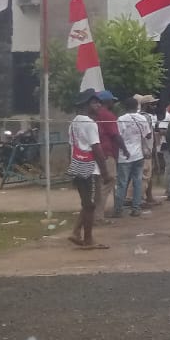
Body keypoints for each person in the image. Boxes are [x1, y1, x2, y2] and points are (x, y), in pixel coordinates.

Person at [67, 89, 113, 250]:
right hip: (90, 167)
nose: (98, 105)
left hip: (77, 165)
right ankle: (88, 239)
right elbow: (96, 148)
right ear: (86, 105)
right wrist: (105, 173)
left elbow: (71, 146)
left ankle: (76, 233)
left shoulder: (74, 122)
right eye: (94, 102)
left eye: (99, 102)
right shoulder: (90, 123)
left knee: (87, 203)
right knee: (90, 205)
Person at [114, 95, 151, 217]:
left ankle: (118, 210)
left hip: (124, 156)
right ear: (137, 106)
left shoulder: (121, 119)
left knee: (122, 183)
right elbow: (148, 135)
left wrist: (125, 150)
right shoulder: (142, 118)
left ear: (125, 107)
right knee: (137, 182)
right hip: (138, 155)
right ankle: (136, 208)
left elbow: (118, 136)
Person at [94, 90, 127, 217]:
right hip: (107, 153)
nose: (113, 103)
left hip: (95, 153)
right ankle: (98, 215)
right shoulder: (108, 115)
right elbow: (115, 135)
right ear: (107, 101)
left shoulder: (93, 115)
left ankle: (94, 213)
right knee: (108, 181)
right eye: (112, 100)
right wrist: (125, 149)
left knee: (99, 184)